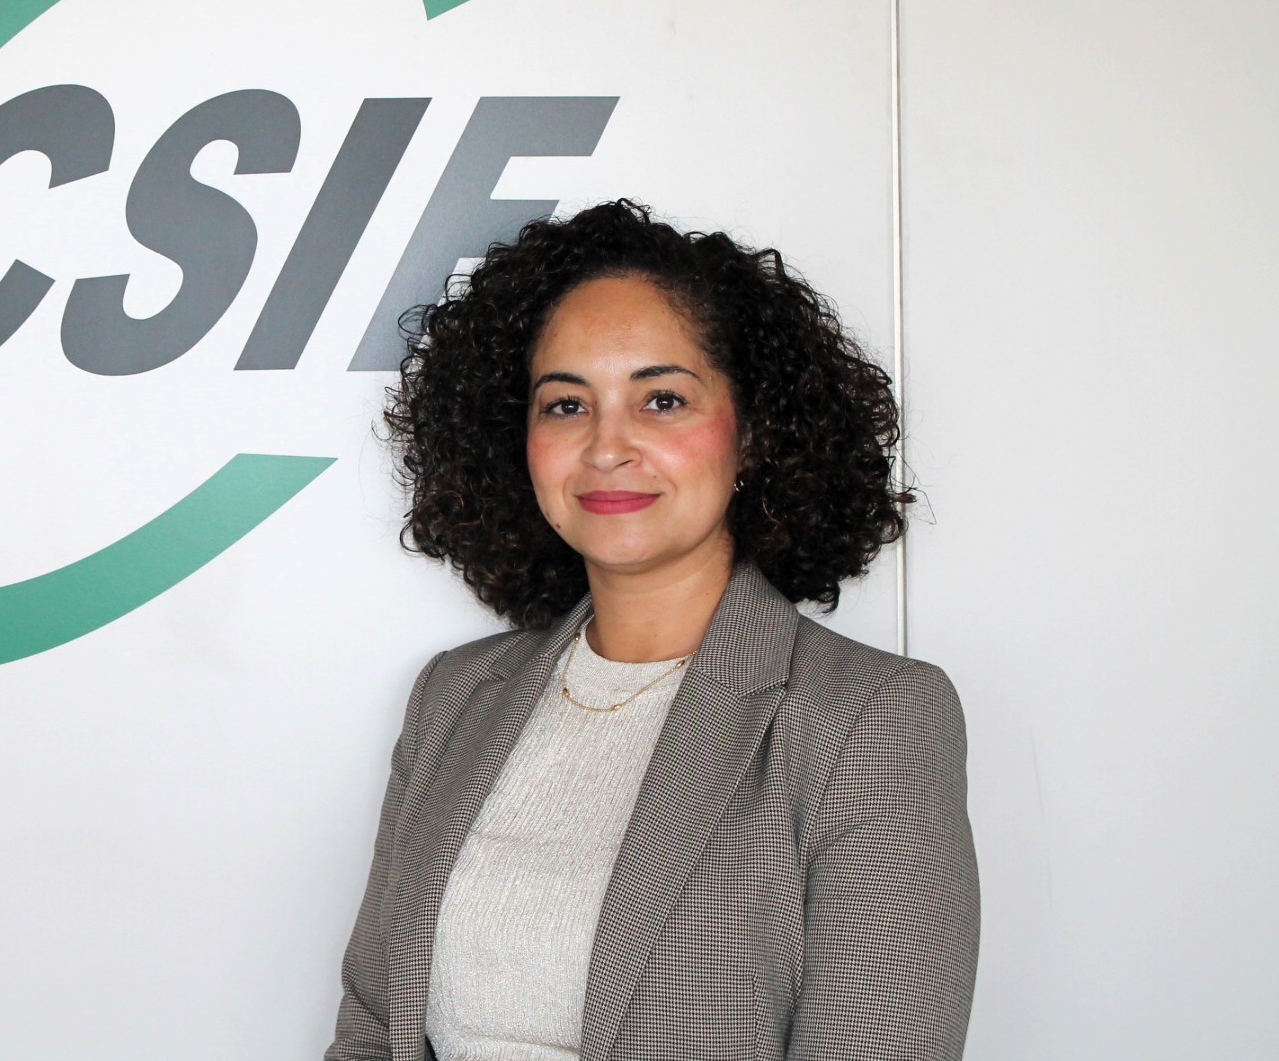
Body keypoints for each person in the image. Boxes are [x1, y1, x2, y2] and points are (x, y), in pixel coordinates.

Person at [326, 201, 979, 1061]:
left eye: (662, 399)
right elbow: (374, 1026)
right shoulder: (454, 697)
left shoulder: (872, 719)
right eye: (566, 405)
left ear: (753, 434)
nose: (607, 446)